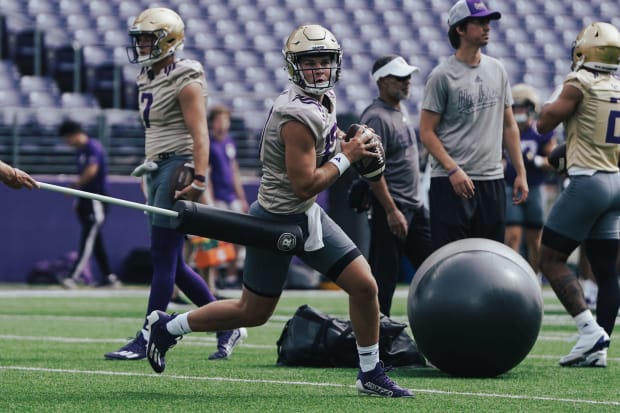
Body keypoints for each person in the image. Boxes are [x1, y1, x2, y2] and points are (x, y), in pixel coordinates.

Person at [144, 24, 414, 398]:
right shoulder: (296, 117)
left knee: (365, 285)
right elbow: (306, 183)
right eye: (310, 63)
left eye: (324, 62)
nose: (319, 70)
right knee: (252, 313)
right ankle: (168, 326)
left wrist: (349, 148)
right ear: (294, 67)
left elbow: (319, 171)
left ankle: (370, 371)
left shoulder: (323, 99)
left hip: (306, 215)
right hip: (276, 219)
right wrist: (348, 156)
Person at [104, 7, 246, 362]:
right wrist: (148, 172)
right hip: (158, 167)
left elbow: (200, 133)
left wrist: (199, 177)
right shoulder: (147, 75)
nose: (141, 46)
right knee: (172, 262)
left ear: (168, 39)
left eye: (148, 38)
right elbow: (154, 130)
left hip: (178, 165)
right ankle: (226, 322)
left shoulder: (186, 76)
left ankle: (149, 332)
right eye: (138, 39)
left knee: (165, 257)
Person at [536, 21, 620, 368]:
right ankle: (599, 348)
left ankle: (589, 331)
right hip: (615, 181)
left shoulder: (579, 81)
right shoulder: (617, 87)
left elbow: (543, 123)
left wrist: (558, 95)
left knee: (550, 259)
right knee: (606, 269)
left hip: (588, 183)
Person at [419, 0, 528, 251]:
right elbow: (426, 132)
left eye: (488, 22)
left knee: (489, 255)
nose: (487, 27)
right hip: (451, 181)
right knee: (452, 257)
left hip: (491, 179)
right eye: (479, 22)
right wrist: (452, 170)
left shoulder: (497, 69)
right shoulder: (442, 76)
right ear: (460, 29)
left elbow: (509, 125)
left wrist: (519, 172)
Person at [359, 55, 432, 317]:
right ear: (383, 80)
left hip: (413, 205)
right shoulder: (376, 117)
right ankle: (377, 342)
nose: (407, 82)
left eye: (408, 77)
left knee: (434, 268)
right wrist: (390, 210)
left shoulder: (398, 111)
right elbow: (371, 170)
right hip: (393, 207)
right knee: (384, 279)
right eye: (400, 77)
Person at [503, 84, 556, 282]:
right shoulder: (505, 130)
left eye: (522, 108)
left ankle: (534, 277)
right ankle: (512, 279)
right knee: (512, 236)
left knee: (535, 238)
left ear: (532, 109)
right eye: (514, 108)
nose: (518, 113)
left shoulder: (540, 132)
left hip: (534, 187)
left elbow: (554, 160)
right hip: (510, 187)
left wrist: (537, 160)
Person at [59, 120, 121, 288]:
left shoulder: (92, 147)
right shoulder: (80, 151)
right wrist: (78, 199)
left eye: (67, 138)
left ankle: (73, 276)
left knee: (88, 238)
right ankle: (109, 276)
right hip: (86, 199)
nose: (66, 142)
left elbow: (91, 171)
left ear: (75, 133)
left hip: (96, 199)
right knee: (95, 239)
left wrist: (74, 187)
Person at [207, 104, 249, 289]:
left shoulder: (229, 142)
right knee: (215, 237)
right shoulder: (208, 142)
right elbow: (206, 173)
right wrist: (209, 198)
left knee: (241, 234)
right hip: (217, 196)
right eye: (219, 119)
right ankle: (215, 275)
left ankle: (232, 274)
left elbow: (234, 170)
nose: (223, 123)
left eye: (226, 119)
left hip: (231, 196)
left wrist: (241, 197)